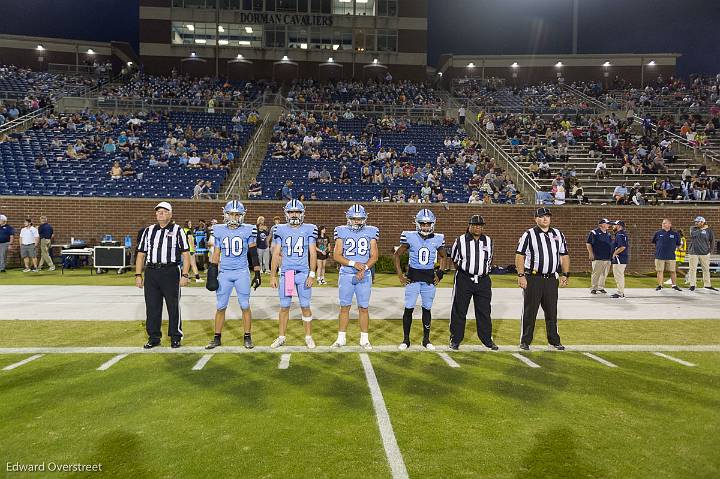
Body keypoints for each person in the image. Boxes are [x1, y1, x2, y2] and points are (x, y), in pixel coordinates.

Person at [205, 201, 262, 350]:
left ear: (242, 216)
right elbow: (216, 254)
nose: (234, 217)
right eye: (231, 214)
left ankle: (247, 337)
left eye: (237, 214)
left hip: (241, 272)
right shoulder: (219, 230)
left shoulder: (248, 230)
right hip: (225, 273)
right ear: (225, 214)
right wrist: (212, 273)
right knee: (220, 306)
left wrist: (257, 273)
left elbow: (253, 253)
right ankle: (217, 338)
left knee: (244, 305)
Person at [135, 202, 191, 349]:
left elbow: (186, 255)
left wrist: (185, 274)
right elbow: (141, 254)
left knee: (173, 306)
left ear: (171, 214)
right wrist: (138, 274)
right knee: (152, 306)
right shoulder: (148, 231)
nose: (160, 214)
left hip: (170, 271)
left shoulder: (178, 230)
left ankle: (175, 336)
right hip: (152, 272)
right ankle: (154, 337)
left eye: (164, 211)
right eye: (158, 211)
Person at [515, 207, 570, 351]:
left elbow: (564, 255)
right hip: (533, 278)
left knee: (552, 311)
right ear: (536, 219)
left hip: (552, 279)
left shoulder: (558, 234)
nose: (545, 219)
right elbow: (520, 256)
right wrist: (521, 275)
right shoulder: (529, 234)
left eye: (547, 216)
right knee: (530, 311)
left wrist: (565, 274)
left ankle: (554, 340)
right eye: (541, 216)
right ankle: (525, 340)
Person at [393, 209, 447, 350]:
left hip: (429, 279)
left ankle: (426, 340)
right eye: (422, 224)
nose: (425, 226)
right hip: (413, 278)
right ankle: (406, 340)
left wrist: (440, 273)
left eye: (428, 224)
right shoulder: (409, 236)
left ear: (433, 224)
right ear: (417, 224)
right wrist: (400, 275)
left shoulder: (438, 238)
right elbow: (397, 255)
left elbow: (444, 256)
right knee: (409, 307)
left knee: (427, 309)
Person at [269, 200, 318, 349]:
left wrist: (312, 274)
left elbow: (313, 253)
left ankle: (308, 337)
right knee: (285, 306)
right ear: (286, 213)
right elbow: (276, 253)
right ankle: (282, 337)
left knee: (305, 305)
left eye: (297, 212)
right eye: (291, 212)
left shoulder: (309, 229)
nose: (294, 214)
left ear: (302, 213)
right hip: (288, 274)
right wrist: (273, 275)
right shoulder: (280, 229)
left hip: (303, 274)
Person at [332, 205, 379, 350]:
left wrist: (364, 268)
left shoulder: (371, 231)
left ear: (364, 219)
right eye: (354, 219)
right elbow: (337, 255)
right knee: (344, 307)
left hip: (364, 275)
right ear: (348, 218)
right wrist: (354, 263)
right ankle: (341, 338)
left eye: (359, 219)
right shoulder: (341, 231)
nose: (357, 222)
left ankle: (364, 339)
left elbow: (374, 256)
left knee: (363, 307)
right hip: (346, 273)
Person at [448, 215, 497, 350]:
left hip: (483, 280)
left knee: (484, 311)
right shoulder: (460, 240)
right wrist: (466, 271)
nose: (477, 228)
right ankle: (455, 339)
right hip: (464, 278)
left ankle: (487, 339)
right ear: (469, 226)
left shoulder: (489, 241)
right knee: (459, 310)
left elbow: (489, 260)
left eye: (480, 225)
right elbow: (454, 258)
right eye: (475, 225)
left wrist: (480, 271)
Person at [651, 219, 682, 291]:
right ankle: (660, 285)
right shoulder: (658, 233)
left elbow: (678, 245)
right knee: (659, 271)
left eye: (665, 223)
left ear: (670, 224)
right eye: (663, 223)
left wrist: (674, 248)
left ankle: (674, 285)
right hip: (659, 256)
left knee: (673, 271)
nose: (663, 224)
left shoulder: (675, 234)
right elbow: (654, 243)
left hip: (671, 256)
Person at [687, 216, 717, 291]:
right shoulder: (693, 228)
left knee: (706, 269)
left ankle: (707, 285)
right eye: (695, 222)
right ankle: (692, 285)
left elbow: (712, 241)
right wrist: (701, 229)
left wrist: (710, 251)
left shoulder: (709, 231)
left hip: (704, 253)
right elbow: (693, 235)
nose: (696, 223)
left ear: (703, 222)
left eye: (698, 222)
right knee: (692, 269)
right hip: (693, 252)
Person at [586, 219, 613, 294]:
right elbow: (588, 243)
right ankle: (593, 288)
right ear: (602, 224)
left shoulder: (608, 234)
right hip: (597, 256)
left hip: (607, 257)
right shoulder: (594, 232)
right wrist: (591, 253)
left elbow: (610, 244)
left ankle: (601, 287)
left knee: (604, 274)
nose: (609, 225)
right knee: (596, 273)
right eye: (607, 224)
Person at [610, 220, 629, 299]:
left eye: (614, 225)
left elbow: (622, 247)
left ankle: (620, 293)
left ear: (619, 226)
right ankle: (620, 292)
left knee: (619, 276)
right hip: (620, 259)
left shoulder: (620, 235)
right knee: (618, 276)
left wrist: (614, 254)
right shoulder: (620, 234)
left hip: (619, 259)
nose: (613, 226)